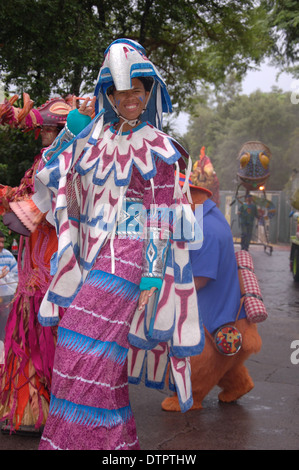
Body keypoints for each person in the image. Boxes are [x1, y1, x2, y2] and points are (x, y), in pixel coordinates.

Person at [33, 39, 203, 450]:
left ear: (148, 94)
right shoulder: (97, 139)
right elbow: (66, 192)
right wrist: (69, 143)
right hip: (92, 256)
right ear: (109, 95)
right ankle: (112, 444)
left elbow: (161, 219)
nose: (131, 98)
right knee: (97, 358)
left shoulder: (161, 148)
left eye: (138, 91)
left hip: (130, 257)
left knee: (80, 343)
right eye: (122, 92)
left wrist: (150, 279)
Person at [162, 174, 262, 411]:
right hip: (234, 318)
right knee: (226, 361)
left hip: (214, 319)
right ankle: (239, 383)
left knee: (199, 360)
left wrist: (168, 292)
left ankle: (189, 398)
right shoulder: (209, 218)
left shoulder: (206, 228)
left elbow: (200, 279)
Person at [0, 97, 71, 432]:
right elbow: (23, 202)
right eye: (42, 126)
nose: (44, 132)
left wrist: (8, 198)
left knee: (45, 330)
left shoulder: (62, 162)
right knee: (28, 331)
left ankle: (51, 411)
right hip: (33, 255)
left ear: (62, 132)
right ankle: (31, 410)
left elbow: (38, 208)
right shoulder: (45, 158)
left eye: (51, 128)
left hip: (50, 257)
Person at [0, 231, 18, 362]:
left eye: (2, 242)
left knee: (5, 326)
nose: (1, 245)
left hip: (6, 298)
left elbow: (16, 277)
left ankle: (4, 353)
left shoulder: (8, 256)